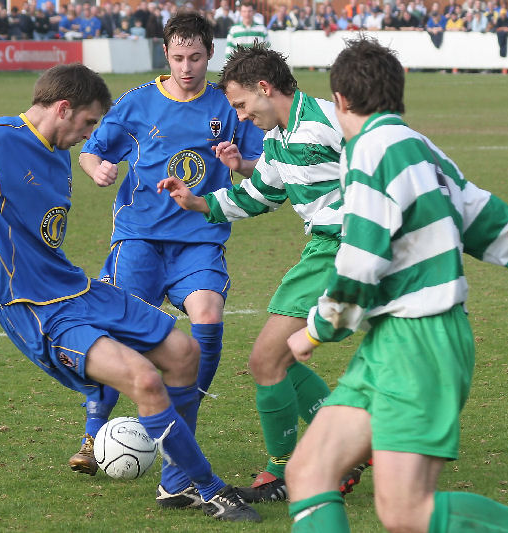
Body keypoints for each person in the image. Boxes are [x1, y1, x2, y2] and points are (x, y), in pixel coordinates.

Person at [280, 37, 508, 533]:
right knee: (309, 471)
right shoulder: (421, 149)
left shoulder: (370, 152)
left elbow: (360, 265)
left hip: (418, 340)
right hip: (395, 342)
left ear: (340, 101)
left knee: (406, 511)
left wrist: (315, 330)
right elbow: (500, 226)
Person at [0, 62, 261, 524]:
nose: (89, 135)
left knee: (183, 351)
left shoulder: (56, 151)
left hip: (76, 288)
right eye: (88, 123)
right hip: (33, 307)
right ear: (63, 108)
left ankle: (173, 485)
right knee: (145, 380)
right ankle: (205, 489)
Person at [158, 43, 370, 503]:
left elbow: (377, 170)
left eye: (240, 105)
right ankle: (351, 444)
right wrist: (198, 202)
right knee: (280, 358)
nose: (241, 116)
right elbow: (258, 196)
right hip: (323, 249)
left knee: (265, 360)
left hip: (344, 248)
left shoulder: (328, 122)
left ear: (265, 88)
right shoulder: (278, 139)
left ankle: (284, 471)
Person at [74, 12, 263, 493]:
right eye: (178, 57)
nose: (186, 67)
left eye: (195, 57)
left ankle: (184, 427)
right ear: (166, 54)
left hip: (199, 237)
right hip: (138, 238)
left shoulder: (228, 105)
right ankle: (92, 435)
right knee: (118, 333)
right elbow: (92, 151)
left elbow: (260, 164)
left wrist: (240, 163)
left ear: (210, 54)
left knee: (209, 313)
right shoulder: (136, 103)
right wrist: (97, 170)